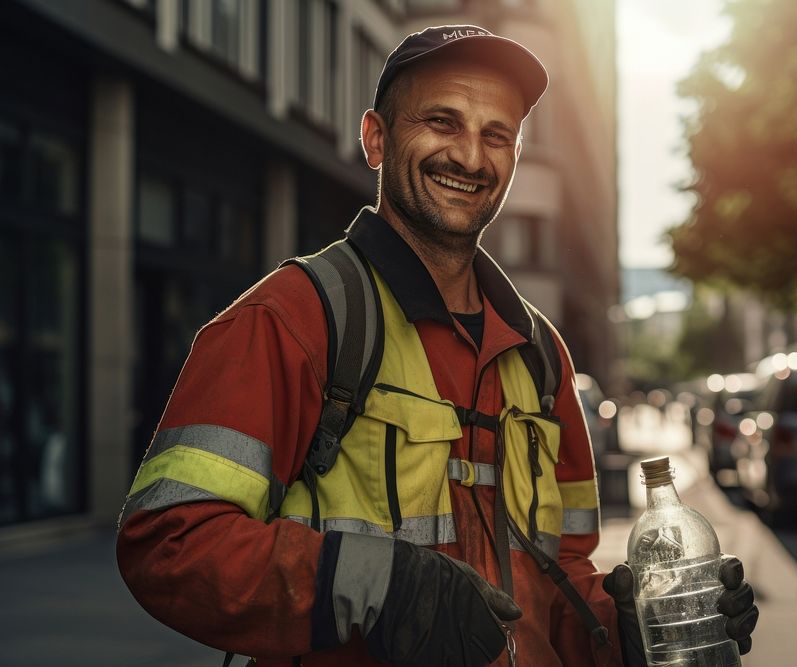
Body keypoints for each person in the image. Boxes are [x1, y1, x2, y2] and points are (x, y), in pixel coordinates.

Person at [116, 25, 758, 667]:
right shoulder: (292, 320)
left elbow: (559, 575)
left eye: (496, 135)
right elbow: (170, 541)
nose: (471, 157)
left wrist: (633, 629)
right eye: (442, 122)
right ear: (375, 138)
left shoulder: (539, 355)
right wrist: (376, 584)